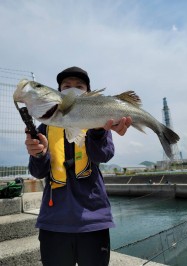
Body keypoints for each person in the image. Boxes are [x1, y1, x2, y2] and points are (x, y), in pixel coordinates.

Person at [25, 66, 132, 266]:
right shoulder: (45, 125)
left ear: (88, 93)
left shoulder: (98, 122)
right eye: (66, 86)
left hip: (93, 221)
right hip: (54, 222)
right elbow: (38, 172)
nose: (72, 89)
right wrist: (38, 154)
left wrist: (99, 132)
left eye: (79, 86)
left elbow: (103, 154)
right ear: (57, 93)